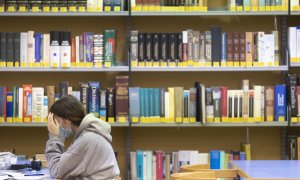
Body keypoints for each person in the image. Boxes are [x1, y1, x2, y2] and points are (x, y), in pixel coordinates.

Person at [44, 95, 120, 179]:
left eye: (56, 122)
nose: (54, 126)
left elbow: (56, 171)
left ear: (67, 121)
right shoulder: (90, 134)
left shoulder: (86, 140)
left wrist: (54, 137)